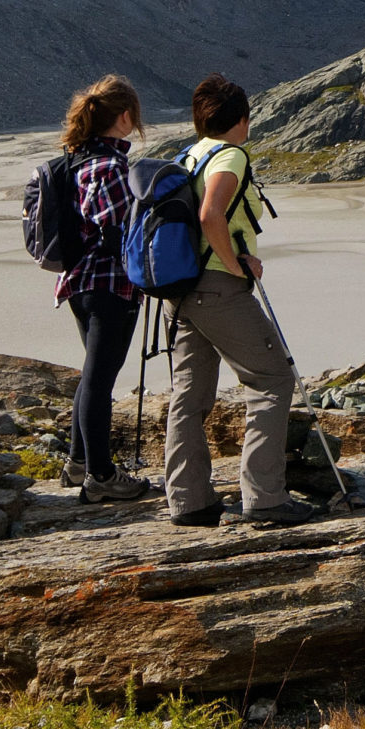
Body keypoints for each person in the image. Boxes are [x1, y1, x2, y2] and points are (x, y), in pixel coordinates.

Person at [161, 75, 317, 528]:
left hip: (181, 292)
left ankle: (188, 500)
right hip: (217, 288)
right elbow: (212, 214)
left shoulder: (189, 155)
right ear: (243, 120)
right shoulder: (229, 154)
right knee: (271, 379)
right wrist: (235, 264)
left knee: (189, 394)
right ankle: (265, 497)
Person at [56, 75, 151, 503]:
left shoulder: (76, 159)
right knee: (100, 378)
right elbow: (116, 233)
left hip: (77, 281)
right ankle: (101, 477)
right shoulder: (110, 167)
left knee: (91, 374)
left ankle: (78, 462)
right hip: (109, 284)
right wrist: (147, 273)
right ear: (125, 116)